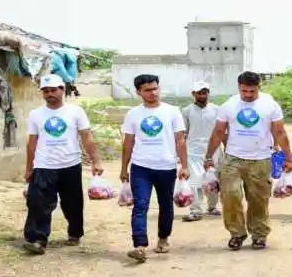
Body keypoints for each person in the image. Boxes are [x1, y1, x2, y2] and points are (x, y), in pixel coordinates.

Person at [204, 71, 292, 251]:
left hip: (260, 159)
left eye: (252, 91)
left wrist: (288, 158)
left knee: (258, 199)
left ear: (258, 88)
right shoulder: (229, 105)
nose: (248, 95)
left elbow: (280, 132)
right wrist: (208, 156)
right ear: (239, 88)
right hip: (233, 158)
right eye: (244, 91)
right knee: (230, 196)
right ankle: (237, 233)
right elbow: (218, 132)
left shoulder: (270, 105)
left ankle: (259, 234)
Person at [22, 74, 103, 255]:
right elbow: (32, 143)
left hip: (70, 164)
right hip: (44, 165)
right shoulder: (36, 114)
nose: (49, 94)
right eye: (45, 91)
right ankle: (37, 239)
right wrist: (29, 168)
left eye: (53, 90)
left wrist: (96, 160)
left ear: (62, 90)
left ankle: (75, 233)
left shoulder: (75, 112)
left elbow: (87, 137)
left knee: (72, 203)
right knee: (37, 202)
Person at [120, 74, 189, 263]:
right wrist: (124, 168)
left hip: (166, 166)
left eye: (155, 89)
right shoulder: (133, 114)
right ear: (139, 92)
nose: (153, 93)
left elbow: (180, 140)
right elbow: (128, 143)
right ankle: (140, 245)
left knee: (165, 205)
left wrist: (184, 165)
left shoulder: (172, 111)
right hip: (141, 167)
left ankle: (163, 238)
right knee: (140, 204)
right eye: (147, 90)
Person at [181, 82, 224, 222]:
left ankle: (212, 207)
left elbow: (222, 132)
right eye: (199, 93)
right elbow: (183, 134)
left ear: (208, 93)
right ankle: (195, 210)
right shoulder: (186, 111)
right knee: (195, 181)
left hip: (214, 151)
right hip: (193, 151)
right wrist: (180, 155)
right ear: (193, 94)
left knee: (213, 179)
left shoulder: (217, 110)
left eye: (204, 92)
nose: (202, 95)